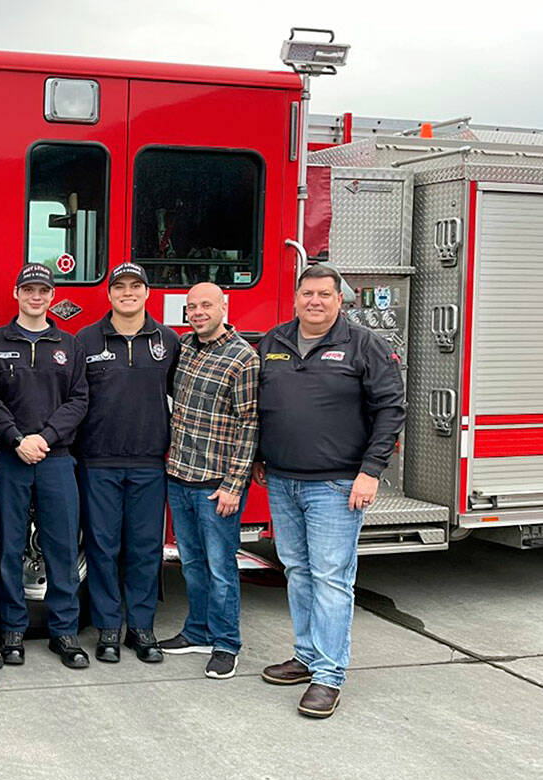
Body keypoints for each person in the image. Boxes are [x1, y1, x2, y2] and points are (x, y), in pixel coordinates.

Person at [254, 264, 404, 718]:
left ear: (341, 300)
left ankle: (329, 676)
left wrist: (371, 471)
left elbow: (390, 409)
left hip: (337, 485)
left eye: (324, 294)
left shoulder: (364, 346)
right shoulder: (274, 341)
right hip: (281, 480)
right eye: (306, 294)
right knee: (297, 571)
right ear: (295, 298)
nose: (314, 301)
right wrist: (260, 454)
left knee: (331, 578)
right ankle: (305, 656)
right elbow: (261, 403)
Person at [74, 262, 180, 665]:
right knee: (102, 548)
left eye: (136, 286)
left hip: (150, 463)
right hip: (98, 462)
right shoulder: (85, 340)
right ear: (110, 294)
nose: (128, 293)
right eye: (120, 287)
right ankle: (106, 629)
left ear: (147, 293)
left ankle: (141, 628)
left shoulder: (168, 341)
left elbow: (181, 400)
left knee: (145, 549)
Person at [0, 263, 88, 668]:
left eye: (42, 290)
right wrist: (16, 438)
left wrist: (43, 438)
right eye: (28, 289)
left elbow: (79, 400)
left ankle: (64, 633)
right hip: (9, 459)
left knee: (62, 548)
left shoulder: (69, 343)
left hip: (56, 459)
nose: (35, 296)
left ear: (51, 296)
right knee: (9, 546)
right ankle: (12, 630)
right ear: (15, 293)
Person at [160, 282, 260, 680]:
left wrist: (235, 484)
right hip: (179, 475)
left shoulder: (243, 359)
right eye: (191, 307)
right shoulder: (184, 348)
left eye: (206, 305)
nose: (198, 312)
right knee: (192, 564)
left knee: (221, 568)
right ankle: (197, 631)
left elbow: (250, 424)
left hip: (216, 484)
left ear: (224, 306)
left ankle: (226, 644)